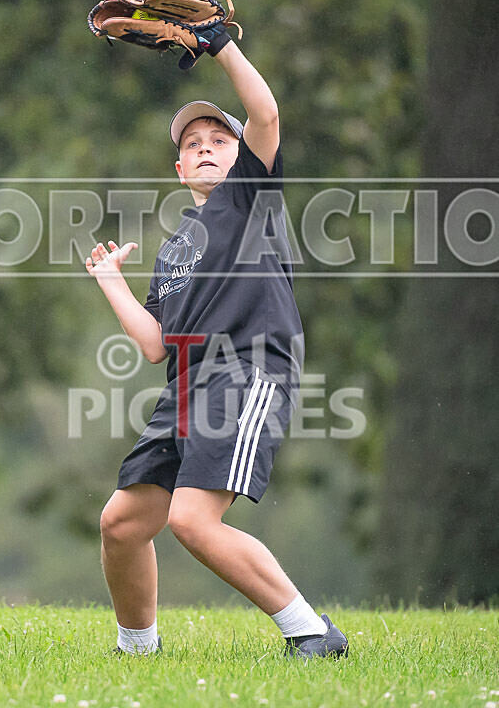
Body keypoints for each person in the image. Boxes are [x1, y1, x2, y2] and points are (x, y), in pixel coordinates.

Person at [85, 32, 349, 660]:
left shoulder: (249, 197)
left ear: (243, 156)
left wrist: (222, 47)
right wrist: (111, 283)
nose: (205, 151)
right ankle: (138, 652)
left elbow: (266, 112)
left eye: (219, 142)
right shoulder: (177, 246)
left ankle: (312, 633)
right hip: (184, 388)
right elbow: (154, 344)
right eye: (192, 146)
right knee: (121, 525)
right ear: (179, 169)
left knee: (191, 521)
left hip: (247, 371)